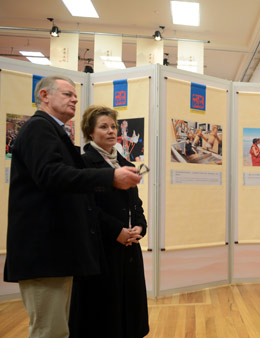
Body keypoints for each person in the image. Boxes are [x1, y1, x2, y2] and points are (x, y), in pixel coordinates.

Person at [4, 75, 141, 338]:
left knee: (57, 330)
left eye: (75, 95)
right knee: (49, 331)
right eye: (68, 94)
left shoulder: (54, 132)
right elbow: (51, 175)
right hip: (44, 254)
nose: (75, 99)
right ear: (44, 96)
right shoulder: (38, 128)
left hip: (57, 255)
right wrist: (110, 178)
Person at [69, 105, 149, 338]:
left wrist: (140, 227)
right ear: (90, 132)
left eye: (113, 126)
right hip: (100, 249)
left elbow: (136, 204)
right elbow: (86, 207)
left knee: (128, 315)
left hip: (129, 249)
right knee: (102, 318)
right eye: (103, 127)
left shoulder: (126, 162)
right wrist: (117, 231)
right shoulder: (83, 164)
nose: (111, 131)